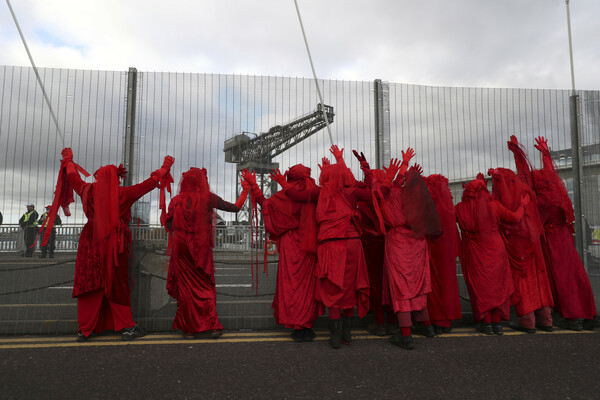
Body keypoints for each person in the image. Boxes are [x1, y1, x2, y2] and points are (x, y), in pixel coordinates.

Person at [59, 148, 174, 342]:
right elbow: (149, 184)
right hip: (115, 242)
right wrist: (164, 168)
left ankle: (86, 328)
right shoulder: (123, 194)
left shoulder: (86, 190)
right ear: (115, 179)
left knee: (91, 282)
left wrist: (69, 161)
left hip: (91, 239)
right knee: (116, 283)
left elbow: (72, 177)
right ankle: (126, 326)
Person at [284, 145, 372, 349]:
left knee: (333, 289)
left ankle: (335, 336)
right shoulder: (352, 193)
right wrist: (365, 167)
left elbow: (296, 196)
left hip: (330, 246)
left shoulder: (319, 192)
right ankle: (347, 334)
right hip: (353, 244)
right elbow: (376, 191)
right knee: (350, 289)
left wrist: (282, 181)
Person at [508, 136, 598, 330]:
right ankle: (586, 314)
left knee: (561, 279)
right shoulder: (559, 195)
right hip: (565, 239)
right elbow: (548, 172)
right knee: (576, 276)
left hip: (552, 243)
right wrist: (545, 153)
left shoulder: (542, 203)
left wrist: (518, 155)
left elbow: (526, 179)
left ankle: (572, 316)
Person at [164, 167, 249, 339]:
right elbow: (235, 208)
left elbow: (170, 225)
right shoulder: (208, 198)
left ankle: (189, 329)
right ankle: (211, 325)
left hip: (182, 249)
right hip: (201, 248)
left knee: (186, 288)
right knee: (206, 286)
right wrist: (246, 189)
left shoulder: (176, 201)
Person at [242, 165, 320, 342]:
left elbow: (266, 204)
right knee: (307, 286)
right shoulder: (314, 192)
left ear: (290, 177)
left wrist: (254, 185)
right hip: (310, 242)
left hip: (290, 243)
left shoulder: (286, 194)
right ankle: (306, 324)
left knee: (291, 285)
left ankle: (296, 324)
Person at [380, 159, 443, 350]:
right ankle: (427, 326)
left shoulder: (391, 194)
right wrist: (405, 168)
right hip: (417, 241)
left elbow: (384, 190)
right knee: (418, 285)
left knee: (401, 289)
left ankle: (406, 335)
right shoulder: (417, 197)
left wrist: (398, 170)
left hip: (398, 242)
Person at [456, 174, 529, 336]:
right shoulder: (494, 205)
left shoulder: (460, 208)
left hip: (475, 250)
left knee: (481, 286)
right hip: (496, 250)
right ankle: (497, 323)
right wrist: (523, 205)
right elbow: (515, 218)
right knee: (497, 286)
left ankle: (486, 323)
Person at [488, 167, 554, 333]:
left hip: (517, 242)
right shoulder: (525, 190)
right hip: (533, 239)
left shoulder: (504, 194)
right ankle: (546, 319)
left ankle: (527, 321)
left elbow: (508, 218)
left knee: (522, 281)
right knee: (539, 278)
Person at [424, 174, 462, 335]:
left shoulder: (430, 204)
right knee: (448, 284)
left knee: (434, 285)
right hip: (447, 250)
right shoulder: (448, 204)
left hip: (434, 249)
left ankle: (436, 319)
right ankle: (446, 319)